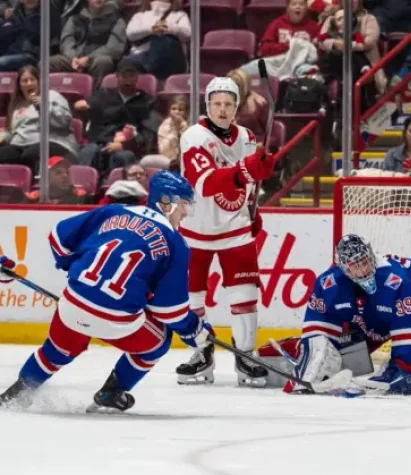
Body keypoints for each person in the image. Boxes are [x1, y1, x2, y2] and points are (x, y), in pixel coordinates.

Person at [0, 171, 212, 413]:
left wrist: (76, 269)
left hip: (72, 305)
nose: (186, 213)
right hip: (118, 322)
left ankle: (18, 393)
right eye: (184, 204)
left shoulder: (113, 211)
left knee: (57, 350)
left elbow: (59, 238)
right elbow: (169, 311)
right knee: (160, 340)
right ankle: (113, 391)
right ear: (167, 202)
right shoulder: (176, 244)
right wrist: (194, 332)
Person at [274, 234, 411, 395]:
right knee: (333, 356)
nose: (363, 270)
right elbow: (317, 330)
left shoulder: (395, 282)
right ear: (343, 268)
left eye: (365, 262)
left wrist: (406, 369)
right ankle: (295, 352)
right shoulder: (330, 284)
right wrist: (313, 352)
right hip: (371, 320)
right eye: (355, 266)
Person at [175, 77, 277, 387]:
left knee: (245, 294)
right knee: (192, 296)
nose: (222, 110)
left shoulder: (246, 136)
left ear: (237, 108)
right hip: (196, 229)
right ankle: (201, 352)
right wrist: (247, 169)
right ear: (208, 106)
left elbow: (248, 183)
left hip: (236, 228)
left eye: (228, 104)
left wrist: (251, 210)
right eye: (217, 104)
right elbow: (204, 183)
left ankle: (246, 355)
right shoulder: (194, 136)